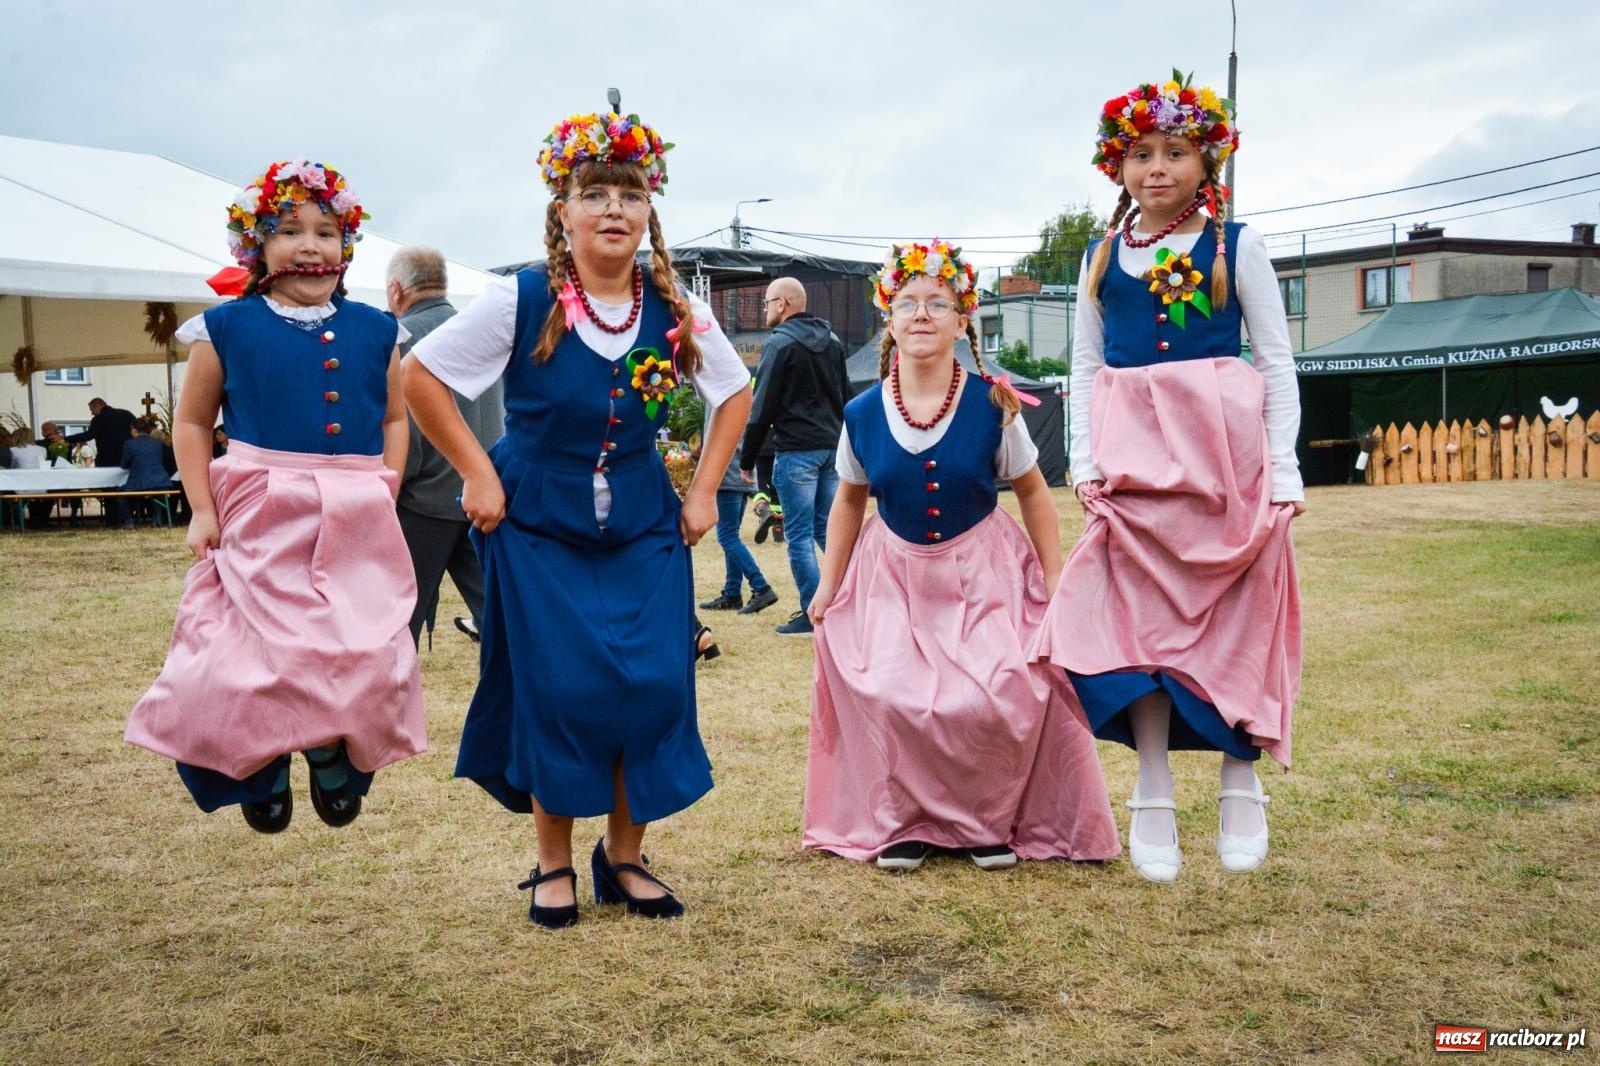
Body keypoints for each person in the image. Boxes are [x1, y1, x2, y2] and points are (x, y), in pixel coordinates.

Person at [404, 106, 753, 928]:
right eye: (594, 193)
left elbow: (733, 391)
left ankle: (624, 858)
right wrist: (478, 473)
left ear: (648, 213)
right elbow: (420, 377)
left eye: (629, 196)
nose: (612, 210)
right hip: (537, 528)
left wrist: (703, 490)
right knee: (559, 691)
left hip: (641, 526)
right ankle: (553, 863)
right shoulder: (521, 299)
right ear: (563, 210)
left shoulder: (672, 307)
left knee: (653, 684)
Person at [1034, 73, 1303, 883]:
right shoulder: (1098, 257)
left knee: (1233, 622)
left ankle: (1239, 776)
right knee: (1132, 633)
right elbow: (1084, 365)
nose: (1158, 168)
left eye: (1176, 152)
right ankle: (1151, 783)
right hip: (1132, 462)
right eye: (1141, 154)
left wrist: (1282, 466)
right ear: (1117, 166)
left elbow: (1279, 362)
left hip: (1224, 461)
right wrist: (1083, 461)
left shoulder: (1237, 244)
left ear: (1205, 160)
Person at [125, 158, 426, 834]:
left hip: (356, 505)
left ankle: (332, 752)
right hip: (261, 503)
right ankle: (254, 770)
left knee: (365, 648)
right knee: (247, 653)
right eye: (290, 230)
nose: (311, 245)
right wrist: (203, 508)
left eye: (327, 231)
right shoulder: (224, 328)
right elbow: (195, 422)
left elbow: (394, 418)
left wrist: (386, 482)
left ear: (346, 247)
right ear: (256, 245)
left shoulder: (379, 329)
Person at [802, 240, 1119, 872]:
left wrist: (1054, 576)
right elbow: (847, 500)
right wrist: (828, 583)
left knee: (1000, 690)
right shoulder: (862, 413)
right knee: (892, 690)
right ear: (888, 321)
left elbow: (1032, 490)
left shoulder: (992, 403)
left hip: (982, 571)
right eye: (907, 304)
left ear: (961, 321)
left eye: (937, 303)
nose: (921, 314)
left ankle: (985, 821)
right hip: (894, 572)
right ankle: (905, 824)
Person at [387, 246, 505, 647]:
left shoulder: (398, 340)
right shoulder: (476, 331)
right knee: (503, 619)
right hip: (483, 497)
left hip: (422, 502)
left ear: (396, 291)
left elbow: (404, 431)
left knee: (398, 624)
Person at [739, 277, 851, 636]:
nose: (766, 309)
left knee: (799, 535)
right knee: (827, 530)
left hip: (797, 452)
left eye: (767, 303)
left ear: (783, 304)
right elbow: (847, 397)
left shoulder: (780, 344)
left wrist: (747, 459)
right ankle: (851, 604)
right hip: (832, 449)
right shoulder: (833, 342)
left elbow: (762, 406)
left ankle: (813, 612)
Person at [697, 399, 778, 615]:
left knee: (726, 537)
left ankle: (761, 587)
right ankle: (732, 593)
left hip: (727, 474)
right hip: (738, 474)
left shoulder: (721, 395)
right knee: (730, 535)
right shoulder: (737, 394)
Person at [119, 417, 170, 526]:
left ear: (134, 429)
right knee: (155, 496)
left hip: (140, 482)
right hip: (161, 481)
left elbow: (124, 465)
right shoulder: (158, 443)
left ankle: (129, 521)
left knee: (120, 494)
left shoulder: (129, 444)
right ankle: (156, 518)